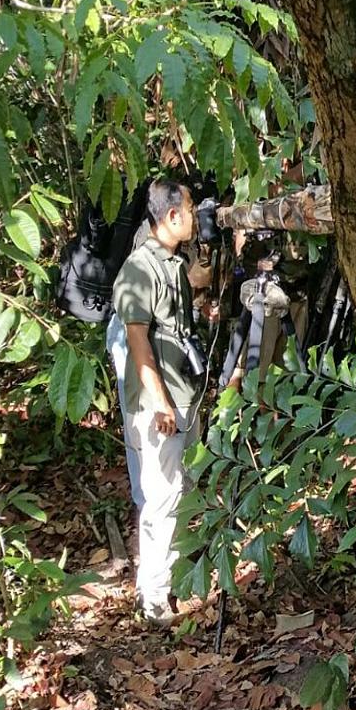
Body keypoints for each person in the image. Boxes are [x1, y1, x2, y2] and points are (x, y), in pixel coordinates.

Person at [112, 179, 203, 624]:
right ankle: (153, 598)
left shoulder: (171, 264)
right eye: (189, 208)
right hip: (160, 406)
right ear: (171, 216)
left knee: (182, 492)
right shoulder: (139, 269)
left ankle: (174, 580)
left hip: (182, 396)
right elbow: (138, 343)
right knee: (162, 498)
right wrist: (162, 403)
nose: (194, 214)